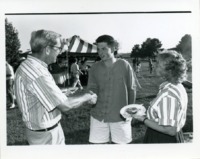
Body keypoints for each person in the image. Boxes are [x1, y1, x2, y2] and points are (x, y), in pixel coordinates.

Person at [14, 30, 97, 145]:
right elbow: (65, 105)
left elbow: (40, 94)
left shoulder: (30, 66)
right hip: (46, 135)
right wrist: (87, 96)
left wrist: (63, 92)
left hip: (42, 132)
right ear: (47, 49)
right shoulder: (38, 73)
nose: (60, 52)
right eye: (58, 48)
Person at [87, 35, 137, 144]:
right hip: (98, 116)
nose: (100, 52)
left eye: (104, 48)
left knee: (121, 150)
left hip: (120, 116)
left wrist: (129, 112)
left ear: (114, 48)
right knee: (98, 149)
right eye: (98, 49)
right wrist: (91, 96)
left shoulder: (124, 65)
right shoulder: (94, 67)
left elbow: (131, 89)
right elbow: (92, 88)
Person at [133, 50, 188, 143]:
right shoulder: (177, 86)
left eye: (158, 63)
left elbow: (170, 130)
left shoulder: (168, 95)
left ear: (169, 70)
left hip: (162, 139)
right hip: (168, 137)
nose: (154, 65)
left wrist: (142, 118)